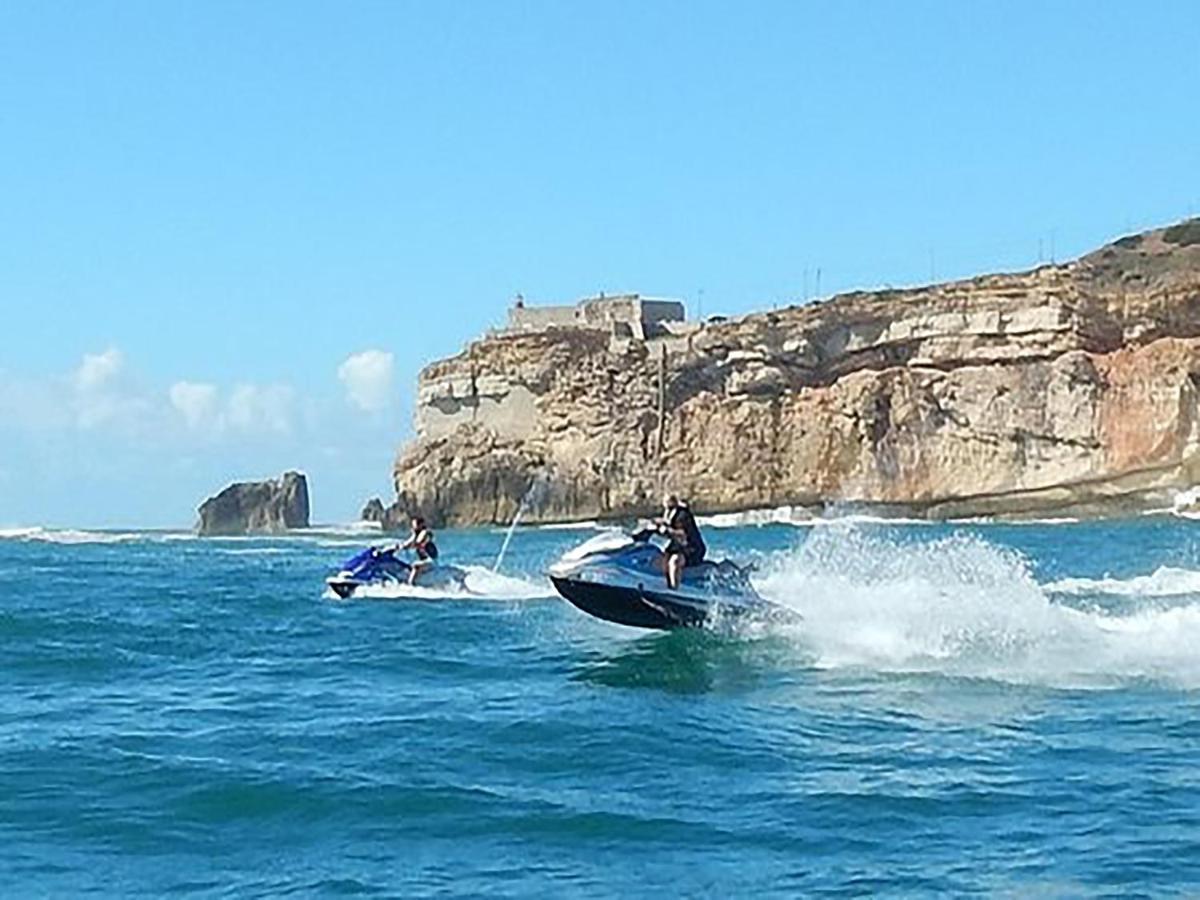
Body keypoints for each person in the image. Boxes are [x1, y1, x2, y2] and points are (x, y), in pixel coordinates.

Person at [655, 494, 706, 589]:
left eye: (668, 506)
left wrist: (666, 530)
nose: (666, 509)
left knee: (674, 561)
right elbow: (665, 525)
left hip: (693, 548)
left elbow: (681, 534)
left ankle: (674, 589)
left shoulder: (682, 516)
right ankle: (660, 585)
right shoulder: (668, 514)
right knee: (659, 559)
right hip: (678, 546)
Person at [398, 516, 439, 585]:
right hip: (423, 561)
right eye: (413, 525)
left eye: (415, 525)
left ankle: (411, 585)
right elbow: (407, 543)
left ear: (421, 525)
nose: (413, 527)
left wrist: (410, 545)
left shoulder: (425, 533)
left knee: (416, 566)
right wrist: (397, 547)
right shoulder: (415, 534)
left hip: (430, 561)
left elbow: (418, 541)